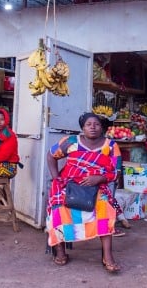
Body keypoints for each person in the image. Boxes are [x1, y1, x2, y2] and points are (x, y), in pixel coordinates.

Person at [46, 112, 121, 273]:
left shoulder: (110, 145)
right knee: (58, 208)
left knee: (105, 209)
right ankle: (60, 251)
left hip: (97, 187)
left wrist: (99, 178)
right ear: (82, 128)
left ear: (102, 127)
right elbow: (51, 156)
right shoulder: (71, 141)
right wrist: (56, 178)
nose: (93, 127)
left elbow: (117, 172)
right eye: (89, 124)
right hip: (69, 184)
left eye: (97, 124)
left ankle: (107, 256)